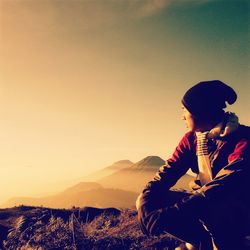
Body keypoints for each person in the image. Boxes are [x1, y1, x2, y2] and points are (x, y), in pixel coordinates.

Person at [136, 80, 250, 250]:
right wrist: (147, 195)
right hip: (203, 202)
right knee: (149, 200)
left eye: (184, 110)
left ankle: (233, 243)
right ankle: (202, 242)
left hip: (238, 209)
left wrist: (177, 211)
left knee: (218, 209)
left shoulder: (243, 139)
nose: (182, 116)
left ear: (200, 112)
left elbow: (225, 185)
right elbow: (171, 169)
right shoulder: (193, 139)